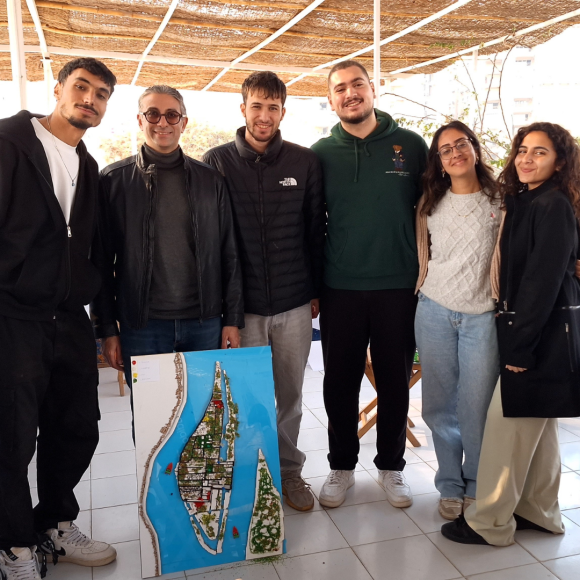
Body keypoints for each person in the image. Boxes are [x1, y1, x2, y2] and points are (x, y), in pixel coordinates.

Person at [0, 58, 118, 580]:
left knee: (77, 427)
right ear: (59, 89)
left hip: (68, 317)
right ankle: (13, 544)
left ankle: (53, 525)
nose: (89, 99)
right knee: (12, 437)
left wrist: (101, 318)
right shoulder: (8, 144)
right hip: (13, 316)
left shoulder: (87, 165)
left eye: (100, 93)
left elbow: (91, 246)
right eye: (81, 87)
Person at [442, 122, 580, 546]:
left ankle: (490, 523)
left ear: (559, 161)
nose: (526, 158)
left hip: (540, 336)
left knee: (508, 425)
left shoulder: (552, 205)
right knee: (539, 426)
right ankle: (539, 511)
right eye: (523, 150)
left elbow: (541, 282)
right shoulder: (528, 200)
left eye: (539, 152)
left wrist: (520, 347)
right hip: (542, 331)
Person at [203, 71, 325, 512]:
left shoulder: (303, 162)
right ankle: (254, 479)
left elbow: (315, 232)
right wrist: (224, 311)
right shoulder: (215, 162)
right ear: (243, 109)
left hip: (294, 302)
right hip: (244, 307)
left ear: (283, 113)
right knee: (247, 397)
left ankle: (290, 472)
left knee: (290, 395)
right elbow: (212, 240)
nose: (264, 115)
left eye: (273, 107)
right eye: (257, 106)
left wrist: (314, 292)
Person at [311, 60, 428, 509]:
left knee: (395, 381)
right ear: (330, 99)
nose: (350, 93)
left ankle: (391, 468)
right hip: (340, 286)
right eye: (340, 88)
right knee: (338, 381)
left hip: (400, 285)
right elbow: (311, 223)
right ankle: (341, 466)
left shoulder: (411, 146)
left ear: (373, 89)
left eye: (357, 84)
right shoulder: (320, 153)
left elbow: (437, 205)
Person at [91, 85, 243, 426]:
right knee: (151, 423)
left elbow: (228, 252)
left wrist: (232, 319)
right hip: (142, 326)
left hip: (204, 323)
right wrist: (107, 330)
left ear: (183, 122)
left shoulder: (210, 180)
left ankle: (196, 483)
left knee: (206, 417)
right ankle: (153, 483)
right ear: (140, 120)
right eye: (153, 114)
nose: (163, 122)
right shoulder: (114, 181)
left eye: (171, 114)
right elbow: (100, 262)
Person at [414, 121, 501, 520]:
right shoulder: (430, 203)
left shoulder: (501, 202)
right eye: (445, 150)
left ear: (474, 149)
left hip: (481, 316)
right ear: (440, 162)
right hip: (433, 310)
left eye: (460, 144)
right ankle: (449, 483)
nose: (454, 153)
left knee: (476, 405)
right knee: (438, 405)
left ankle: (477, 484)